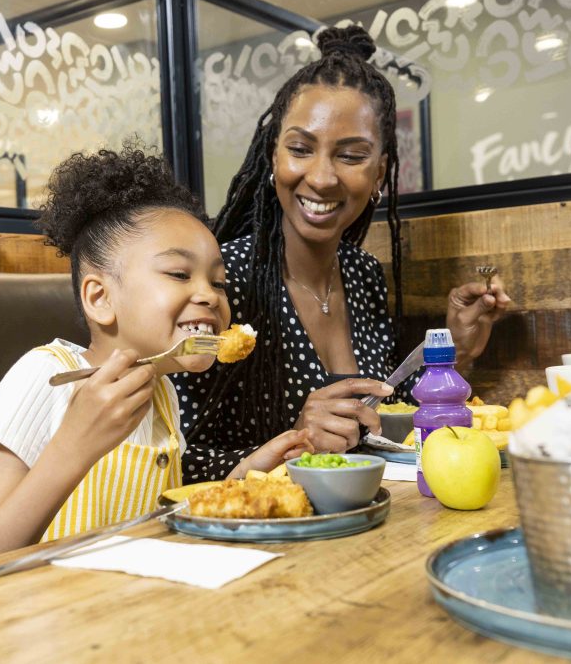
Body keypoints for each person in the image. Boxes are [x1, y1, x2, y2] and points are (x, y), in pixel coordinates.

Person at [0, 144, 312, 568]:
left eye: (220, 282)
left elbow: (151, 526)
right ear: (100, 298)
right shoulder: (47, 377)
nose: (210, 295)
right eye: (178, 274)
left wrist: (243, 476)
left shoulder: (163, 395)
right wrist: (74, 445)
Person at [174, 25, 511, 481]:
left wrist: (455, 348)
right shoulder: (221, 281)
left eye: (351, 156)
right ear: (273, 157)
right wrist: (294, 441)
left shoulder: (362, 273)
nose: (322, 177)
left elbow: (382, 405)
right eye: (300, 149)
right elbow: (170, 462)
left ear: (379, 173)